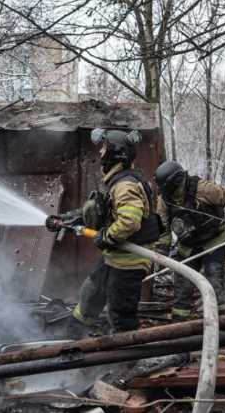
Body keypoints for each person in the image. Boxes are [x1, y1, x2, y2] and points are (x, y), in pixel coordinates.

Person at [46, 128, 160, 337]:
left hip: (130, 261)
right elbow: (100, 211)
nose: (100, 153)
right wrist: (65, 219)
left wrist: (106, 237)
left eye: (104, 148)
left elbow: (129, 222)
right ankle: (74, 338)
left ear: (115, 153)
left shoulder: (125, 185)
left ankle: (125, 358)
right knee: (90, 294)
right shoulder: (118, 181)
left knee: (121, 312)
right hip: (115, 257)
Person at [154, 161, 225, 320]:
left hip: (215, 241)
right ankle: (180, 321)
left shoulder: (204, 189)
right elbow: (163, 228)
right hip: (188, 246)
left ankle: (222, 318)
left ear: (175, 182)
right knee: (182, 283)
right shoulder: (164, 199)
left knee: (214, 277)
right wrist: (161, 252)